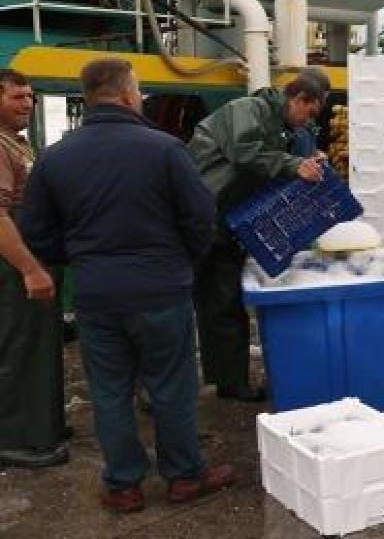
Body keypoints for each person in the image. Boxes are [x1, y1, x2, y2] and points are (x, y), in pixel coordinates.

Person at [21, 58, 235, 512]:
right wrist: (181, 261)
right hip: (161, 288)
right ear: (126, 94)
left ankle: (123, 485)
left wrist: (79, 258)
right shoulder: (165, 149)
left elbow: (37, 230)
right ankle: (184, 477)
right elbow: (200, 217)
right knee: (171, 386)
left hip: (97, 293)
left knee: (111, 390)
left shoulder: (56, 156)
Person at [188, 67, 330, 401]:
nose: (307, 121)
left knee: (224, 299)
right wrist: (293, 164)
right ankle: (173, 385)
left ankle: (229, 378)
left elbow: (272, 164)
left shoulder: (284, 126)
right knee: (197, 301)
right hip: (203, 214)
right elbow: (244, 152)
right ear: (297, 98)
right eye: (308, 112)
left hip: (230, 219)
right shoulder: (246, 110)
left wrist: (307, 161)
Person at [0, 69, 64, 469]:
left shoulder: (17, 143)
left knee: (38, 349)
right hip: (13, 264)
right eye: (18, 97)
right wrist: (29, 269)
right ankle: (16, 439)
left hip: (30, 256)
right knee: (18, 350)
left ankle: (42, 424)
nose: (28, 104)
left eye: (31, 97)